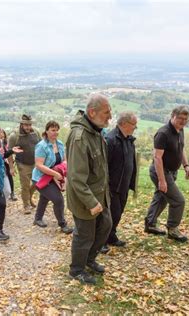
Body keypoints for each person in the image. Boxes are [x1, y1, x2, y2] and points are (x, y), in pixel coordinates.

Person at [66, 93, 113, 285]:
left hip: (100, 194)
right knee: (85, 234)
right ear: (92, 112)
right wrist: (91, 202)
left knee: (105, 226)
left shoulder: (96, 131)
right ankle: (76, 270)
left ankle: (89, 260)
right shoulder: (80, 137)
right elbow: (76, 178)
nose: (109, 116)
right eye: (106, 112)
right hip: (84, 198)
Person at [144, 105, 189, 243]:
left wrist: (186, 166)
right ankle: (173, 229)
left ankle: (150, 224)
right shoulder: (163, 133)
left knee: (161, 198)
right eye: (180, 118)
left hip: (172, 172)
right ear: (172, 116)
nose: (183, 121)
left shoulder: (180, 130)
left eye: (185, 119)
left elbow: (181, 149)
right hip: (161, 171)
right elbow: (157, 158)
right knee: (178, 201)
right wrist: (162, 180)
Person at [101, 112, 138, 254]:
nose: (135, 128)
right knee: (111, 215)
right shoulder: (110, 139)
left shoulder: (128, 139)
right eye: (133, 125)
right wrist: (106, 185)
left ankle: (111, 236)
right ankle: (102, 241)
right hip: (112, 186)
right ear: (124, 124)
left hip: (124, 185)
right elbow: (104, 166)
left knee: (119, 212)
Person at [32, 120, 73, 234]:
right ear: (47, 131)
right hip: (40, 179)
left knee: (44, 198)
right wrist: (55, 173)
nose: (55, 132)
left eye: (57, 130)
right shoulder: (41, 146)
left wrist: (64, 174)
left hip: (54, 178)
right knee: (58, 200)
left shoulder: (59, 144)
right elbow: (39, 165)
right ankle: (63, 225)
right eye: (52, 130)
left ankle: (37, 218)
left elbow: (64, 160)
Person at [8, 114, 41, 214]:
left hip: (36, 163)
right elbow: (10, 152)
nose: (28, 127)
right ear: (21, 124)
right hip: (22, 163)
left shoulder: (36, 132)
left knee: (38, 183)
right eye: (26, 125)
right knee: (25, 185)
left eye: (30, 124)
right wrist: (11, 168)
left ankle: (29, 197)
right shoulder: (14, 136)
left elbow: (41, 146)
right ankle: (26, 205)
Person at [0, 129, 18, 201]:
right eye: (0, 133)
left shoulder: (6, 142)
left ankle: (12, 193)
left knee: (10, 177)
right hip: (0, 162)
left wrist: (11, 166)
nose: (1, 134)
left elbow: (8, 153)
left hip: (6, 162)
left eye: (2, 133)